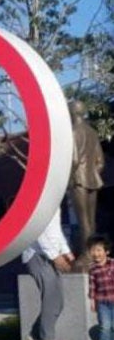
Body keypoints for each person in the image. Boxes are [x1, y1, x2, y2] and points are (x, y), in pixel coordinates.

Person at [22, 211, 74, 340]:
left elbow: (55, 230)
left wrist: (65, 251)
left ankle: (32, 337)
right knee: (51, 300)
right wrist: (55, 256)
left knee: (57, 301)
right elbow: (40, 231)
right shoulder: (43, 201)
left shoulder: (55, 202)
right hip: (38, 256)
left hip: (48, 255)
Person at [69, 100, 105, 269]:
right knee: (91, 221)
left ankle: (86, 256)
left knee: (83, 221)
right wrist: (93, 173)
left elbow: (74, 160)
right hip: (93, 179)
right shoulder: (92, 132)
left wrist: (69, 178)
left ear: (72, 113)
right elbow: (100, 162)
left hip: (79, 180)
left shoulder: (73, 132)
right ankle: (94, 254)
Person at [87, 235, 114, 340]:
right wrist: (93, 301)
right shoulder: (92, 268)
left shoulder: (113, 264)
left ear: (106, 252)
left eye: (99, 250)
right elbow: (92, 285)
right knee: (104, 325)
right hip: (102, 302)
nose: (95, 253)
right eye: (93, 250)